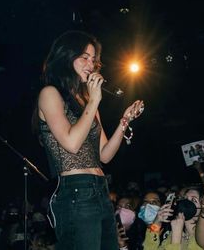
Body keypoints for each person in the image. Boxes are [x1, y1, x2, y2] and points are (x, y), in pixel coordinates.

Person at [32, 30, 144, 250]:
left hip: (101, 190)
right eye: (84, 57)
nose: (91, 64)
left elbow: (105, 154)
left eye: (93, 59)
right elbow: (71, 144)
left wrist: (124, 121)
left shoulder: (87, 102)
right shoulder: (50, 94)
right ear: (66, 57)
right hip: (75, 191)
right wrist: (93, 102)